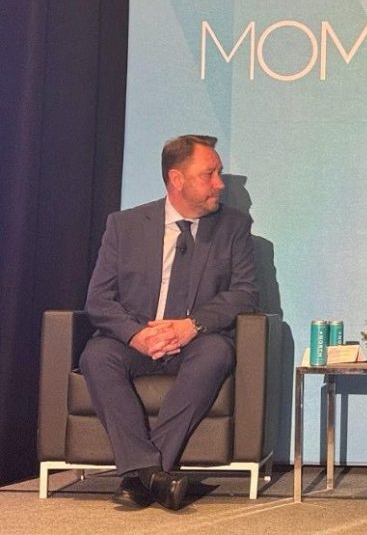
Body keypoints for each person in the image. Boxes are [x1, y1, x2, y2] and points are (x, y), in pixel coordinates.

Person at [80, 134, 258, 510]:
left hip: (195, 342)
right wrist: (135, 335)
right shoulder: (124, 225)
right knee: (96, 356)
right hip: (137, 341)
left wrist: (192, 325)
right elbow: (98, 300)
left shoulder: (234, 226)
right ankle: (155, 476)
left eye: (219, 173)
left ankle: (141, 475)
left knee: (217, 353)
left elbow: (244, 293)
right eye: (209, 174)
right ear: (177, 179)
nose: (219, 183)